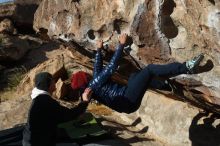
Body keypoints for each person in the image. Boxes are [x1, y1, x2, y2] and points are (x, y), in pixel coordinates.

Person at [75, 33, 204, 114]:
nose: (87, 74)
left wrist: (98, 50)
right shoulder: (94, 83)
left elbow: (97, 70)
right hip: (128, 99)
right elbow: (110, 67)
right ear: (85, 78)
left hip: (126, 104)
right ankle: (187, 67)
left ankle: (165, 85)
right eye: (84, 75)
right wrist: (121, 45)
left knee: (134, 76)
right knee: (149, 69)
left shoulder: (91, 86)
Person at [23, 72, 90, 146]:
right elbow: (69, 115)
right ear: (48, 84)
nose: (55, 82)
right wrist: (85, 101)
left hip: (30, 140)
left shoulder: (39, 98)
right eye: (52, 80)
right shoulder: (46, 102)